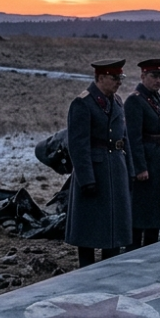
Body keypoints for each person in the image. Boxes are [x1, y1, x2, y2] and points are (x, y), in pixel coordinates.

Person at [65, 59, 133, 267]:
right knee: (89, 227)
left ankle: (109, 266)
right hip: (95, 173)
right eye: (115, 78)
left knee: (113, 226)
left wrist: (129, 169)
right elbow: (78, 145)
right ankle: (86, 269)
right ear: (101, 78)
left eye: (120, 78)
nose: (118, 82)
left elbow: (124, 138)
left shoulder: (117, 101)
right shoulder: (83, 104)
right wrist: (86, 179)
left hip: (115, 169)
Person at [125, 58, 160, 248]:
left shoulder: (156, 98)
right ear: (142, 76)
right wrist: (140, 167)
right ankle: (133, 251)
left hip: (158, 159)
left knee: (155, 213)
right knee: (140, 213)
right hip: (146, 163)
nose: (158, 81)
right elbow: (133, 138)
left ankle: (150, 250)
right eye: (154, 76)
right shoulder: (135, 100)